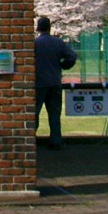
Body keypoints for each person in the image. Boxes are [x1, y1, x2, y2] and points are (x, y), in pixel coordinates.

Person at [34, 16, 77, 150]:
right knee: (54, 113)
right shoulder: (58, 43)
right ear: (49, 27)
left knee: (34, 112)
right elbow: (72, 56)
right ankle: (56, 140)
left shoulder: (35, 44)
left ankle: (30, 140)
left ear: (38, 28)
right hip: (54, 82)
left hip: (38, 82)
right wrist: (63, 65)